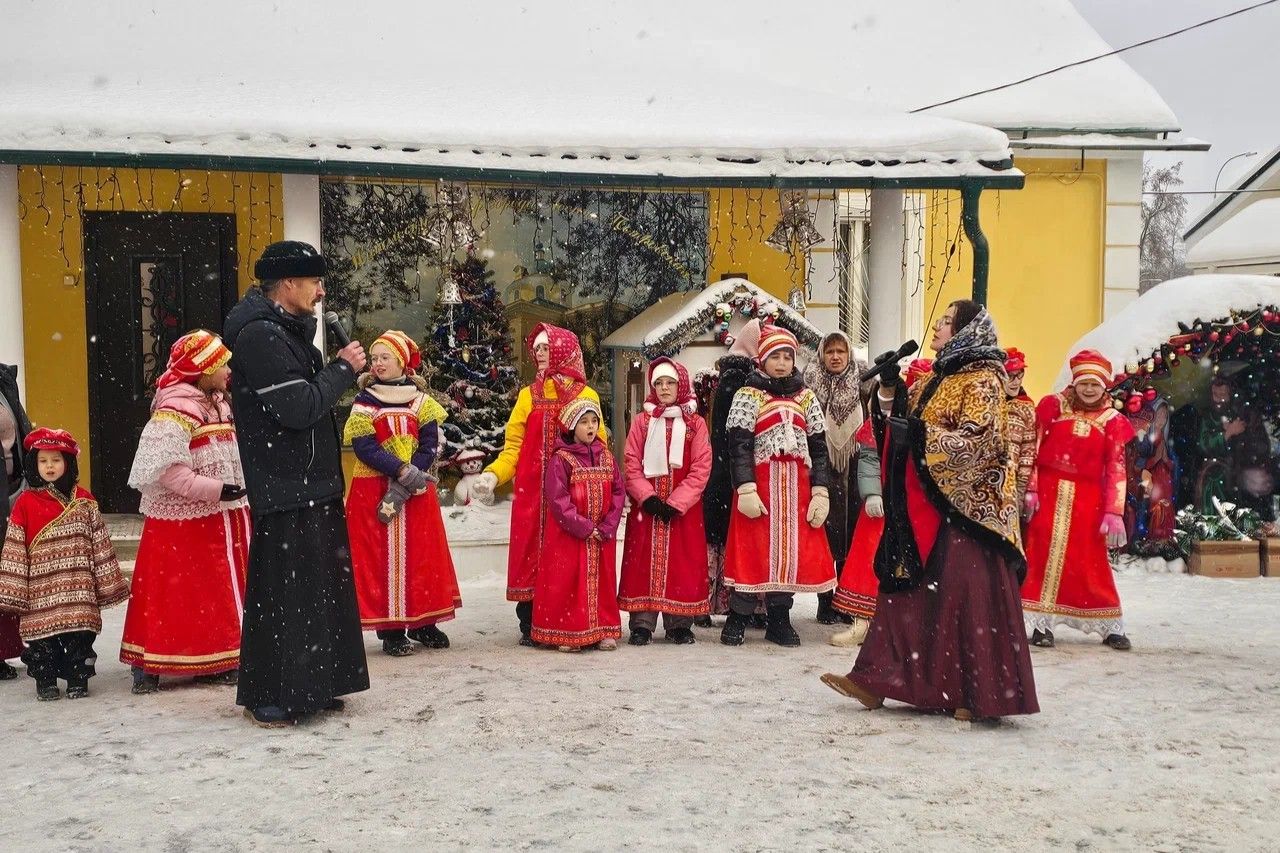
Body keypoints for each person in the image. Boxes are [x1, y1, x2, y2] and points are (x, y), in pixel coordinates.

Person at [822, 300, 1038, 722]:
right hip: (927, 507)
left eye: (944, 322)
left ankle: (973, 694)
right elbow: (900, 425)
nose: (936, 328)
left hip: (969, 514)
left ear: (964, 332)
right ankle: (875, 679)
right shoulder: (938, 377)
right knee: (906, 592)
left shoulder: (982, 380)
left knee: (960, 599)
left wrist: (919, 434)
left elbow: (980, 443)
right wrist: (888, 392)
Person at [222, 240, 369, 727]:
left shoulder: (285, 330)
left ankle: (317, 683)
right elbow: (299, 407)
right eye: (315, 282)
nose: (321, 292)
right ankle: (271, 693)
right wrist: (343, 368)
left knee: (318, 588)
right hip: (286, 482)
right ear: (288, 284)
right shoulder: (260, 336)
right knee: (287, 593)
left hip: (311, 480)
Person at [119, 331, 251, 694]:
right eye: (221, 362)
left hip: (220, 518)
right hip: (183, 524)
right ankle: (152, 660)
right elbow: (169, 470)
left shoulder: (219, 403)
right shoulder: (175, 409)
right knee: (172, 592)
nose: (228, 369)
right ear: (202, 367)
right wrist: (216, 491)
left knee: (213, 592)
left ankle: (214, 655)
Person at [469, 324, 604, 646]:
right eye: (537, 349)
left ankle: (568, 619)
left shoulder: (586, 396)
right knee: (531, 552)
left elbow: (598, 447)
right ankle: (530, 621)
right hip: (533, 494)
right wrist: (493, 475)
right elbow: (513, 447)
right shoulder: (528, 395)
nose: (539, 354)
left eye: (546, 348)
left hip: (574, 495)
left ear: (563, 350)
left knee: (568, 553)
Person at [344, 330, 460, 657]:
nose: (378, 363)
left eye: (385, 357)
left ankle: (424, 621)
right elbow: (364, 446)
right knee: (379, 559)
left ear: (401, 362)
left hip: (415, 491)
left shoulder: (421, 401)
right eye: (375, 357)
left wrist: (411, 477)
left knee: (421, 556)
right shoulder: (364, 401)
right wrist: (399, 470)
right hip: (373, 488)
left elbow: (430, 443)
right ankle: (391, 629)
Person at [722, 325, 835, 647]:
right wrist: (744, 487)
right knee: (754, 553)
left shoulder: (806, 396)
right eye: (776, 356)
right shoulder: (748, 395)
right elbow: (738, 446)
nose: (783, 362)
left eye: (788, 356)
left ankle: (780, 619)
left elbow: (818, 448)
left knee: (789, 556)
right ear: (762, 359)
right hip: (761, 487)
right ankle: (738, 616)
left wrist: (820, 490)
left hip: (796, 490)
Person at [0, 428, 129, 700]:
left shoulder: (84, 501)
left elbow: (100, 547)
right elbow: (14, 551)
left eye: (56, 460)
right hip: (40, 594)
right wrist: (14, 591)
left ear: (68, 463)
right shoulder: (24, 504)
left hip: (78, 591)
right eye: (43, 461)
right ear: (34, 464)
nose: (49, 466)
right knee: (42, 644)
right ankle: (45, 681)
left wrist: (107, 585)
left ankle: (77, 678)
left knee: (80, 637)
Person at [1021, 349, 1135, 651]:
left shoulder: (1112, 420)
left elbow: (1116, 467)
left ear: (1104, 386)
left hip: (1089, 500)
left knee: (1090, 560)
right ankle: (1043, 624)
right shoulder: (1053, 407)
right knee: (1043, 556)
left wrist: (1114, 511)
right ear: (1074, 382)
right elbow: (1032, 448)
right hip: (1048, 493)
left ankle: (1108, 623)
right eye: (1083, 382)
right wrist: (1030, 488)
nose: (1088, 389)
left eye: (1094, 384)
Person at [829, 358, 933, 648]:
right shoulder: (886, 420)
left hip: (915, 506)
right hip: (882, 504)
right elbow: (870, 457)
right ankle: (861, 621)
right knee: (867, 562)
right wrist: (872, 492)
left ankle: (906, 626)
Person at [618, 358, 712, 645]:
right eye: (658, 383)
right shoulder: (642, 421)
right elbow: (631, 461)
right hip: (647, 510)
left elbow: (701, 465)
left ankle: (679, 622)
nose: (664, 388)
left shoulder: (694, 424)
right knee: (642, 561)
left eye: (670, 382)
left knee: (682, 562)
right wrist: (646, 497)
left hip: (683, 511)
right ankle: (642, 623)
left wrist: (677, 501)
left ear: (681, 385)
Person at [533, 397, 625, 652]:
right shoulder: (561, 459)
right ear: (572, 426)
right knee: (569, 582)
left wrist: (608, 525)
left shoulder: (606, 457)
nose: (590, 427)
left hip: (601, 536)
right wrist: (583, 526)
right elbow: (557, 499)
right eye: (584, 422)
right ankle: (568, 631)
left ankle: (603, 628)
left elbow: (619, 492)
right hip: (570, 536)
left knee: (602, 583)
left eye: (594, 421)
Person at [702, 319, 765, 628]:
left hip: (726, 468)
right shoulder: (740, 378)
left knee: (723, 535)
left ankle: (726, 602)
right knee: (729, 536)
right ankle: (735, 603)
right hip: (731, 470)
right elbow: (735, 431)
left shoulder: (733, 376)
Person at [803, 331, 868, 625]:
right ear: (821, 355)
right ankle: (825, 600)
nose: (836, 357)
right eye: (830, 352)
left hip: (854, 470)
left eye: (841, 351)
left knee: (852, 536)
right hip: (821, 468)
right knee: (824, 536)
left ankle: (846, 599)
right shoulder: (809, 387)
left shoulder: (865, 384)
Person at [0, 362, 31, 680]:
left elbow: (21, 428)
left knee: (6, 571)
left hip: (10, 490)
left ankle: (3, 651)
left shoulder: (4, 381)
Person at [1003, 347, 1037, 513]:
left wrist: (1020, 490)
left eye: (1020, 374)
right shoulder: (986, 403)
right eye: (1010, 376)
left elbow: (1028, 452)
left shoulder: (1026, 406)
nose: (1016, 381)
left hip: (1011, 485)